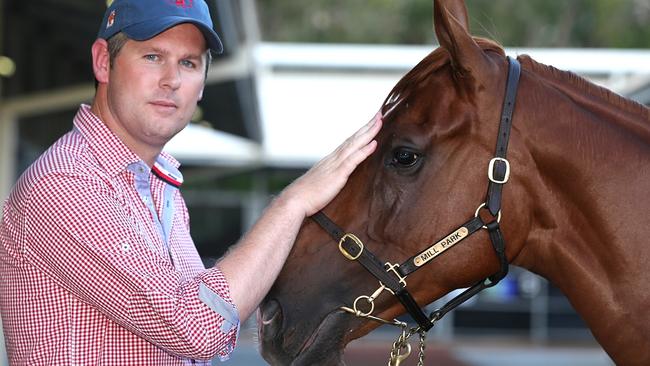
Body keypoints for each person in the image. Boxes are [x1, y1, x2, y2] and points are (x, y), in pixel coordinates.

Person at [0, 0, 382, 364]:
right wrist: (293, 201)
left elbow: (196, 339)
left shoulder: (158, 187)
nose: (171, 80)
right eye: (153, 56)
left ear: (201, 84)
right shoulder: (67, 183)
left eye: (188, 62)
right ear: (104, 62)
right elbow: (197, 328)